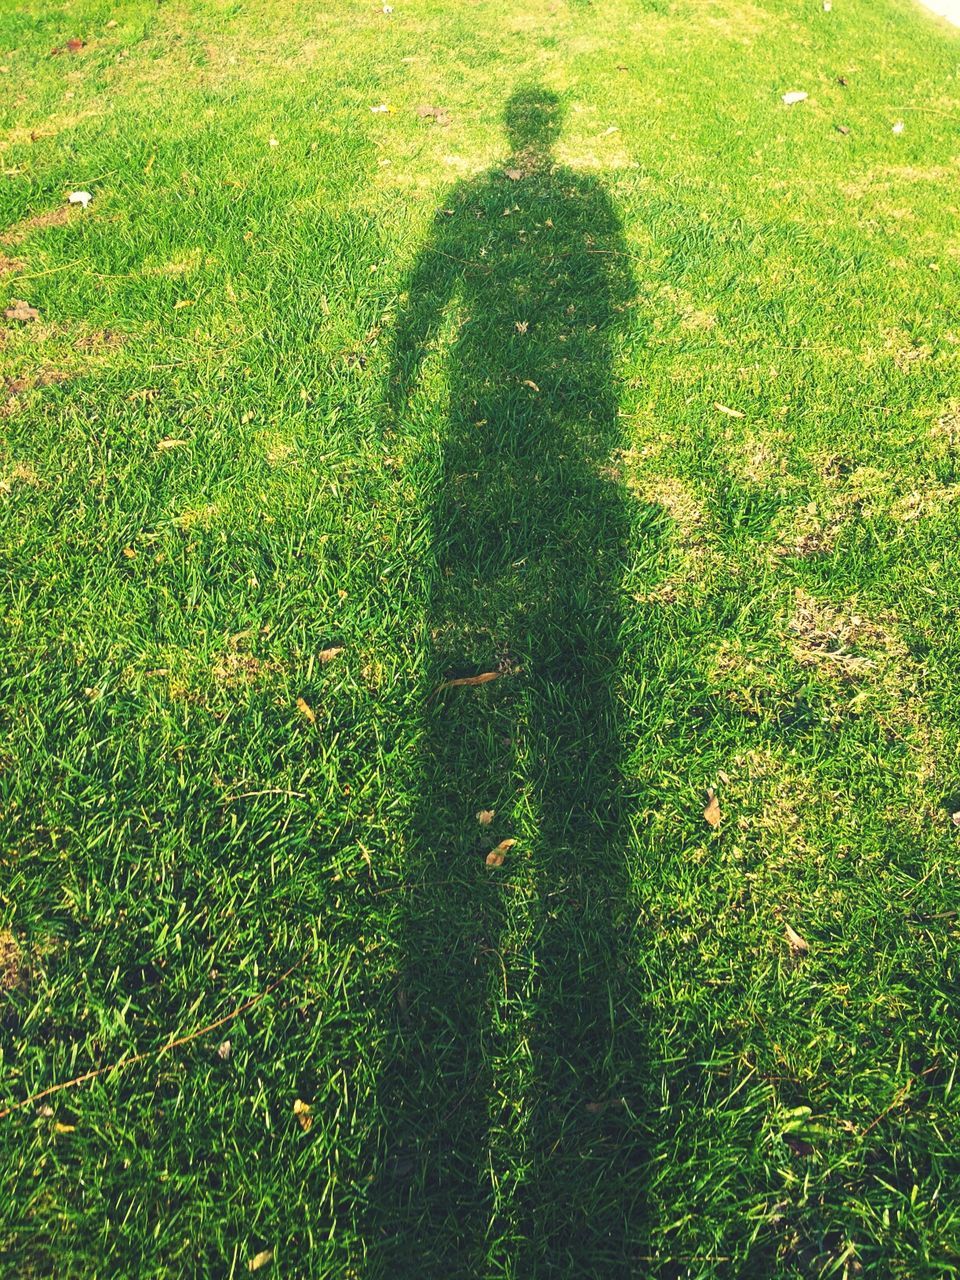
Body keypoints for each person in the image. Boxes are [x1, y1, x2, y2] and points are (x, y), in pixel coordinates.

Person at [374, 84, 646, 1273]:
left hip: (489, 410)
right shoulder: (578, 199)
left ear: (504, 135)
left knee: (483, 583)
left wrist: (404, 371)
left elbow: (438, 284)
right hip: (548, 418)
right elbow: (620, 297)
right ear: (553, 133)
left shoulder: (480, 198)